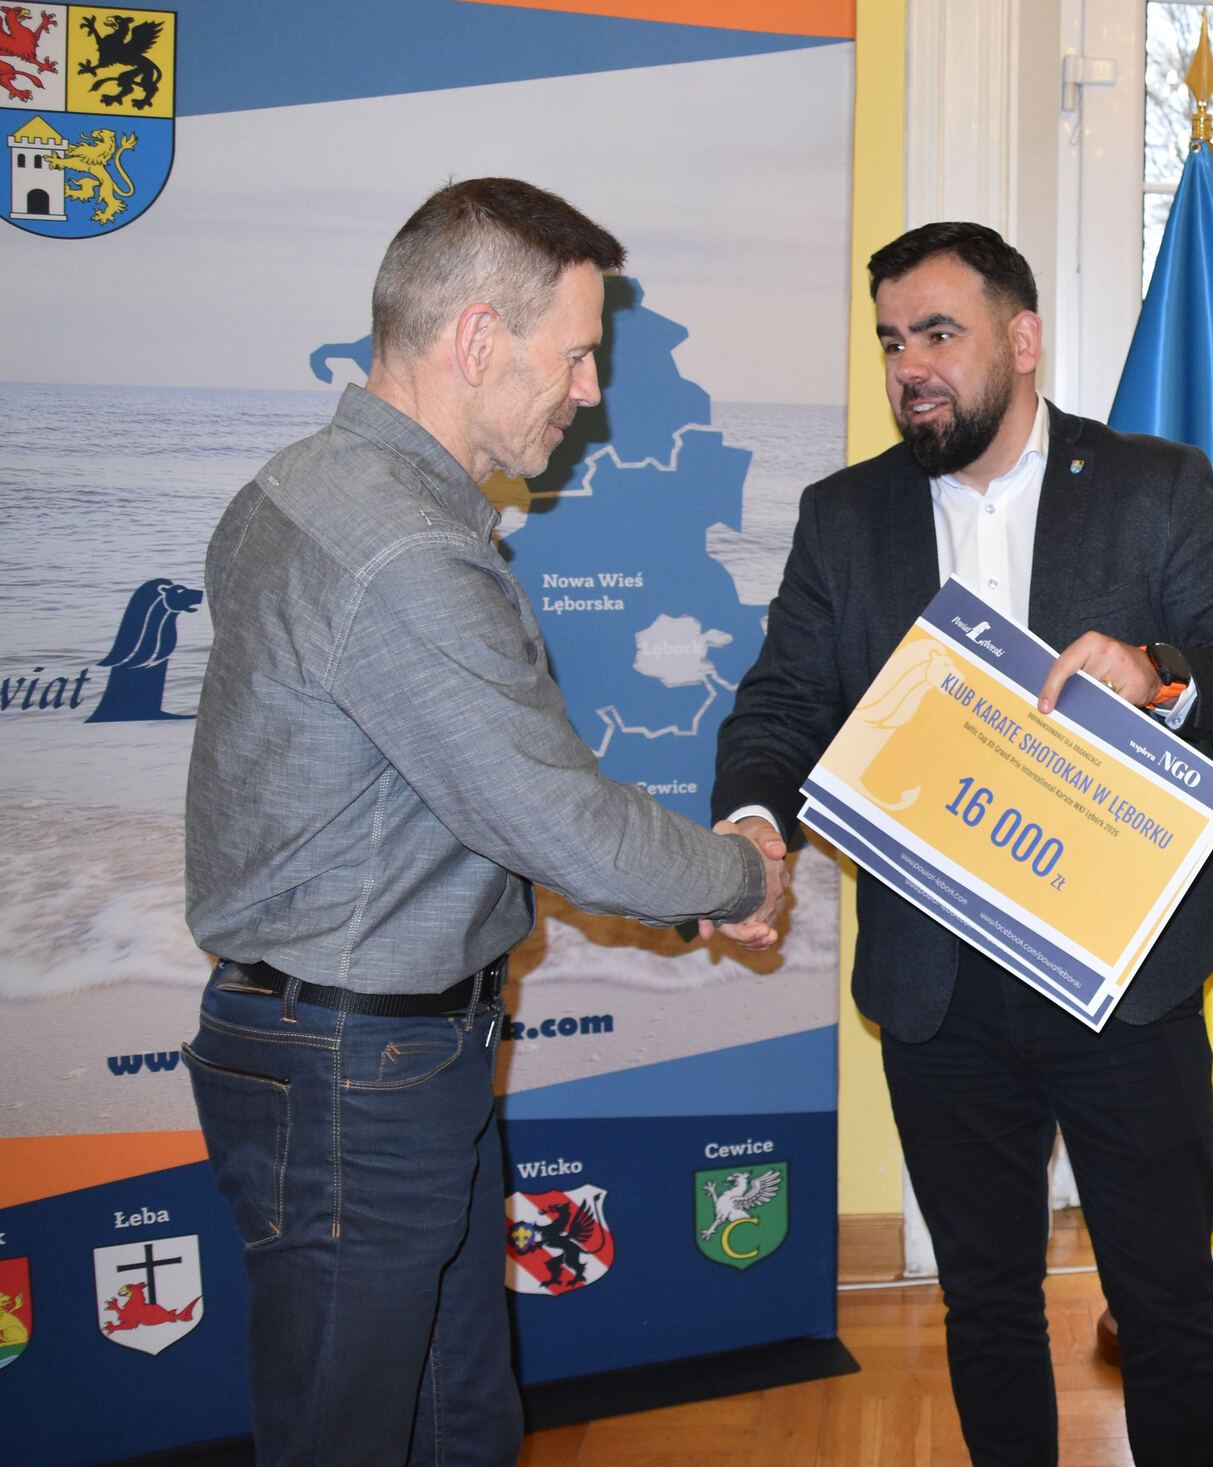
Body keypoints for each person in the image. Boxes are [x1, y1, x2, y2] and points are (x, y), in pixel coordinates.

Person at [183, 177, 784, 1467]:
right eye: (572, 355)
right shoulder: (400, 553)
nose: (588, 392)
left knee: (458, 1417)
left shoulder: (299, 487)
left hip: (361, 1051)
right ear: (473, 339)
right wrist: (737, 876)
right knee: (355, 1438)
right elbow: (557, 822)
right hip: (353, 1069)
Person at [712, 221, 1213, 1465]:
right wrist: (754, 825)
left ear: (1023, 339)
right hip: (939, 993)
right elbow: (780, 707)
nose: (909, 368)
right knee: (984, 1303)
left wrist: (1161, 672)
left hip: (1124, 982)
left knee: (1165, 1305)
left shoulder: (1150, 487)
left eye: (939, 333)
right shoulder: (845, 516)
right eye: (891, 342)